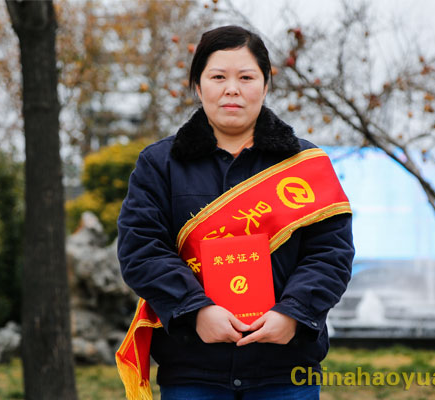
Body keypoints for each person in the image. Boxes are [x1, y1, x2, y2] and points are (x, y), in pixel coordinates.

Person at [116, 25, 355, 400]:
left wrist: (292, 313)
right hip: (193, 370)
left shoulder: (306, 165)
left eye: (246, 77)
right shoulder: (159, 164)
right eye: (218, 77)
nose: (232, 89)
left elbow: (331, 253)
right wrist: (196, 311)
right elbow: (141, 250)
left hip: (285, 368)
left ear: (265, 85)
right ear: (198, 87)